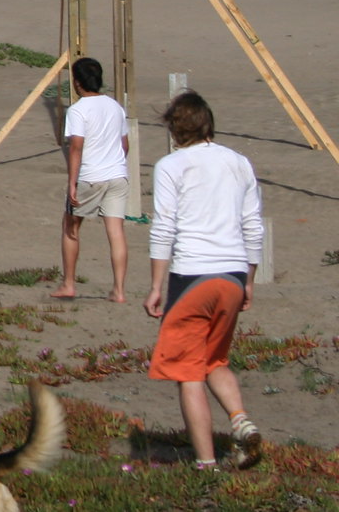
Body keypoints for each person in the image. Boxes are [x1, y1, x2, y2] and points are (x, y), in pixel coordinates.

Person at [144, 90, 264, 471]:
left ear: (174, 128)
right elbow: (253, 226)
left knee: (187, 372)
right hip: (232, 272)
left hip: (192, 274)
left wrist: (156, 286)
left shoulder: (171, 166)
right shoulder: (239, 162)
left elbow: (164, 227)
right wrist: (249, 279)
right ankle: (241, 422)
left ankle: (206, 463)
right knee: (215, 359)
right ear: (208, 123)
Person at [56, 57, 130, 303]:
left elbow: (76, 147)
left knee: (71, 226)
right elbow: (125, 145)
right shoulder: (115, 106)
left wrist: (72, 182)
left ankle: (69, 283)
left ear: (77, 83)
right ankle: (119, 289)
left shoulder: (78, 110)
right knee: (116, 231)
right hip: (117, 174)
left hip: (90, 175)